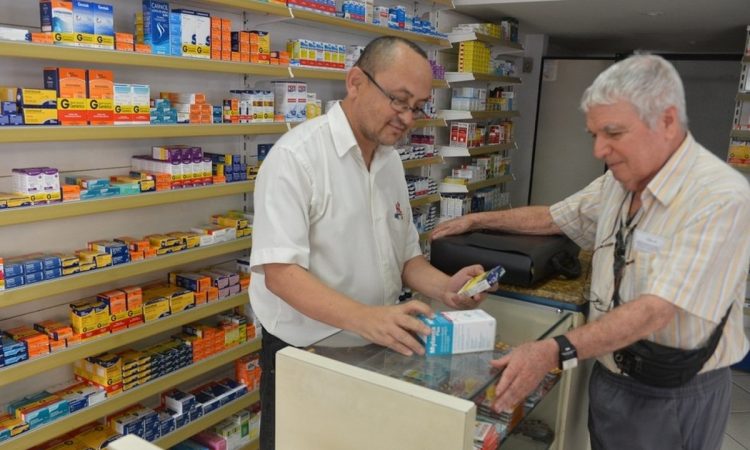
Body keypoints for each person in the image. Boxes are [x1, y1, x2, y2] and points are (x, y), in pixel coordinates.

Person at [431, 53, 750, 450]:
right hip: (612, 375)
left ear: (667, 122)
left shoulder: (720, 197)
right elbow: (552, 218)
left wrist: (552, 351)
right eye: (594, 135)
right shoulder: (618, 180)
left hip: (675, 393)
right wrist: (476, 221)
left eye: (614, 133)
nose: (600, 150)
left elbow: (658, 308)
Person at [250, 36, 487, 450]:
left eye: (417, 107)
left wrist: (446, 288)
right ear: (356, 81)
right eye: (399, 100)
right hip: (304, 355)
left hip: (375, 349)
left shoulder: (390, 160)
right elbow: (281, 275)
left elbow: (405, 257)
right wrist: (368, 318)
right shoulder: (296, 158)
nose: (408, 117)